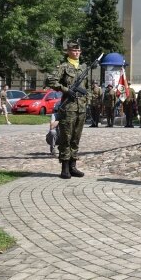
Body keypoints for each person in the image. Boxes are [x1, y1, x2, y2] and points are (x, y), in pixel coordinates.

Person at [45, 41, 90, 179]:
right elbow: (51, 81)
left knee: (76, 138)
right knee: (66, 137)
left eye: (78, 51)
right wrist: (66, 90)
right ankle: (64, 168)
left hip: (81, 108)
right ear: (68, 52)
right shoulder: (63, 67)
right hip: (68, 107)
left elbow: (86, 87)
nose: (76, 53)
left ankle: (73, 166)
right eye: (74, 50)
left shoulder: (83, 68)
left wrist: (88, 99)